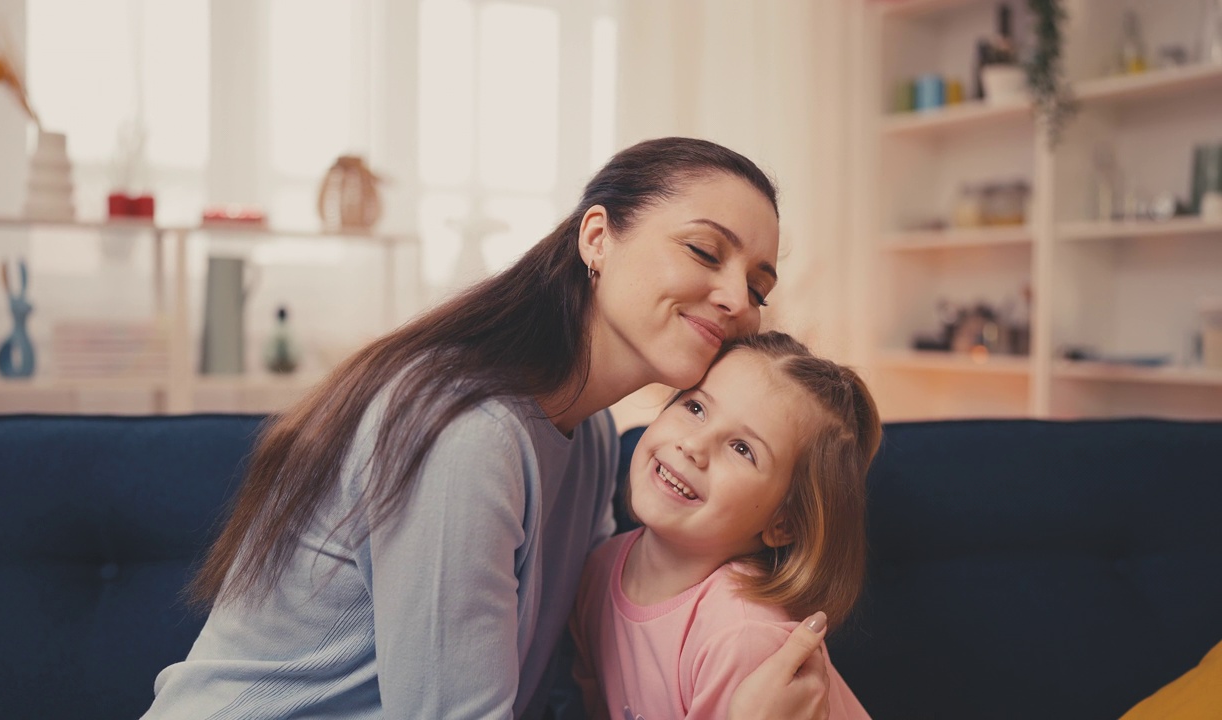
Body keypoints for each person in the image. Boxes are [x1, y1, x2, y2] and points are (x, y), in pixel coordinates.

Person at [143, 137, 831, 719]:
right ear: (598, 237)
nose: (738, 300)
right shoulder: (469, 436)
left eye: (759, 286)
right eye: (707, 252)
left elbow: (575, 668)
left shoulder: (589, 437)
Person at [570, 332, 881, 720]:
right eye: (696, 408)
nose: (694, 446)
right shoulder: (597, 572)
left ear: (784, 523)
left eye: (741, 449)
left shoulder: (742, 638)